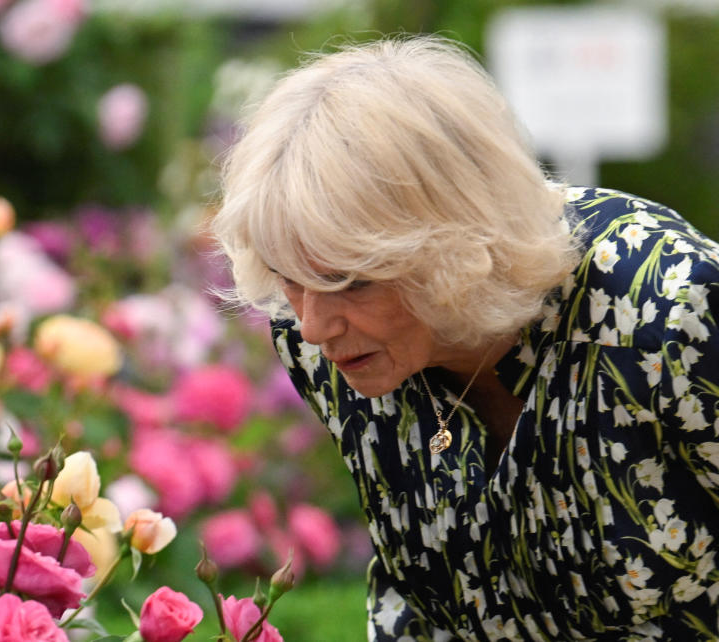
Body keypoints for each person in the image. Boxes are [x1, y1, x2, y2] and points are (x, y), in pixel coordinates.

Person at [211, 36, 719, 640]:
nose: (315, 327)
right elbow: (421, 596)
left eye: (348, 280)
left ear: (453, 247)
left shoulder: (666, 307)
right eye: (291, 279)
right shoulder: (324, 344)